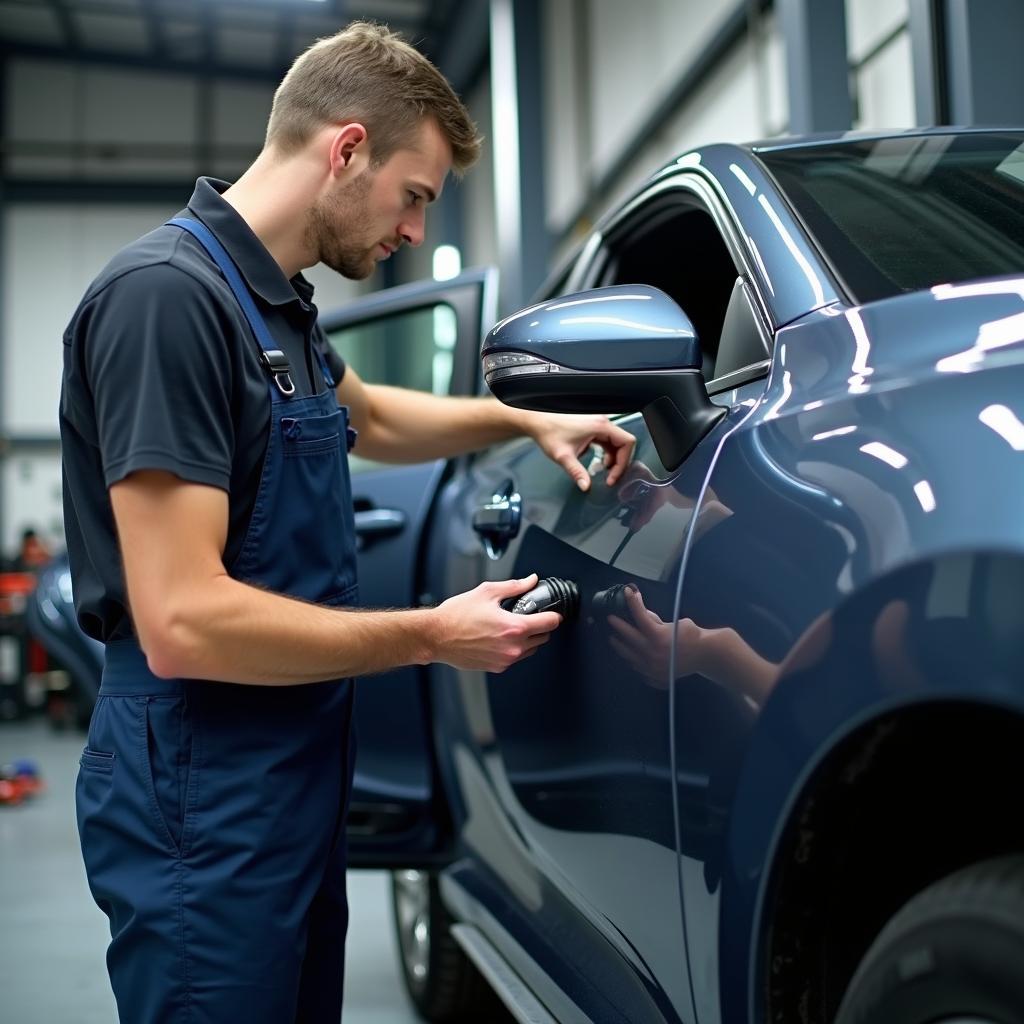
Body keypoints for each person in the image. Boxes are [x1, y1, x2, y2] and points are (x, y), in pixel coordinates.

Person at [59, 21, 634, 1024]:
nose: (414, 230)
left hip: (289, 760)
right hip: (204, 770)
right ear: (347, 149)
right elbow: (183, 621)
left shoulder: (276, 304)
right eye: (414, 196)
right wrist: (428, 633)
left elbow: (367, 417)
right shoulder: (167, 302)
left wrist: (520, 416)